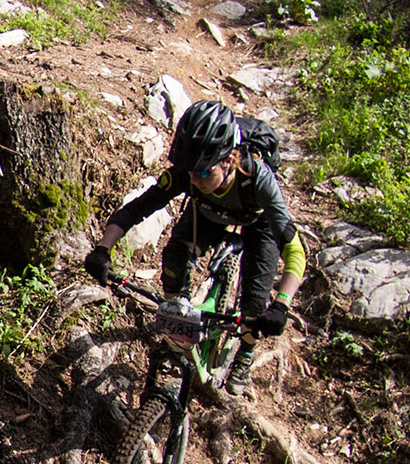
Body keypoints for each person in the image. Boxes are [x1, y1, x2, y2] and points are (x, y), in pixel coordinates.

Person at [82, 99, 306, 395]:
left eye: (203, 173)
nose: (194, 178)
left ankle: (245, 354)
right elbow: (136, 209)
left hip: (257, 222)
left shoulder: (259, 181)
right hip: (205, 213)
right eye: (189, 171)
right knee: (174, 258)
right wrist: (102, 249)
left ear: (229, 160)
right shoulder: (189, 171)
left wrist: (281, 306)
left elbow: (295, 249)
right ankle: (178, 327)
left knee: (255, 303)